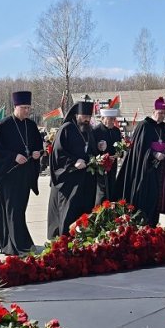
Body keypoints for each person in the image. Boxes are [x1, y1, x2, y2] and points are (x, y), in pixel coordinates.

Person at [0, 90, 44, 255]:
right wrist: (13, 157)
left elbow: (39, 147)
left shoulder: (30, 125)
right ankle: (17, 244)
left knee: (17, 208)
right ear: (15, 107)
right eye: (24, 107)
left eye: (29, 107)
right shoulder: (4, 124)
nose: (27, 111)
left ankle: (2, 238)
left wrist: (38, 153)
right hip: (8, 176)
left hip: (25, 175)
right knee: (13, 209)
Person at [116, 96, 165, 226]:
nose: (162, 116)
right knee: (145, 199)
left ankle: (153, 226)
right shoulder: (144, 126)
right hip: (144, 172)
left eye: (164, 113)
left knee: (156, 200)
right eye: (160, 113)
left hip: (160, 171)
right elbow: (138, 150)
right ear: (153, 111)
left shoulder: (164, 127)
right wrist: (153, 154)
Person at [46, 101, 99, 239]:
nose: (87, 119)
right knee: (68, 213)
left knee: (83, 213)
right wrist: (74, 162)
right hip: (69, 181)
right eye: (84, 116)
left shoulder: (89, 131)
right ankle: (64, 240)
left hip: (85, 180)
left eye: (89, 116)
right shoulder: (67, 129)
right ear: (76, 115)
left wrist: (98, 150)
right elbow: (58, 154)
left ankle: (80, 240)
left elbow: (91, 150)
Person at [92, 107, 123, 204]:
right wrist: (101, 157)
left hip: (113, 165)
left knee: (112, 188)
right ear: (102, 118)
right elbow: (92, 150)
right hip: (100, 166)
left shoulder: (116, 131)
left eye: (114, 119)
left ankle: (110, 211)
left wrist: (119, 153)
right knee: (102, 191)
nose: (113, 121)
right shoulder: (95, 131)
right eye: (110, 119)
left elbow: (120, 146)